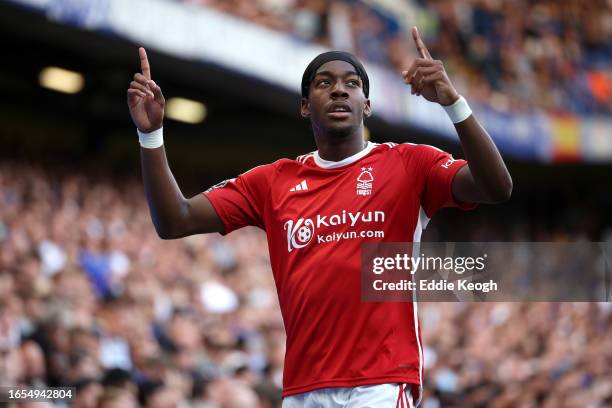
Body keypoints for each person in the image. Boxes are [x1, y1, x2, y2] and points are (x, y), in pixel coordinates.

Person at [127, 26, 512, 408]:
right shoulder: (272, 181)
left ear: (367, 104)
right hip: (302, 389)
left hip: (379, 382)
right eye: (324, 83)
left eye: (352, 83)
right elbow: (174, 220)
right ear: (305, 105)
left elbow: (496, 187)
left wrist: (454, 103)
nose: (339, 89)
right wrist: (151, 136)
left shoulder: (409, 163)